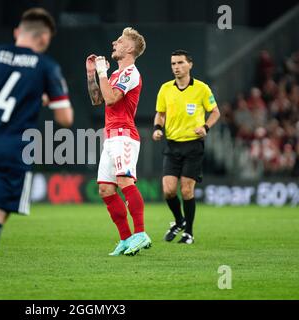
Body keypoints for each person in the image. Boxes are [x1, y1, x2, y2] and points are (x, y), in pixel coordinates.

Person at [0, 7, 73, 300]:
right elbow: (66, 119)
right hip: (13, 150)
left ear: (18, 31)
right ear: (44, 38)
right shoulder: (46, 67)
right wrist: (43, 98)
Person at [86, 27, 151, 257]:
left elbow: (112, 99)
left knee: (124, 181)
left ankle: (141, 233)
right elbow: (97, 99)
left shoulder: (130, 72)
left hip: (124, 134)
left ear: (131, 48)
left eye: (120, 41)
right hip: (110, 136)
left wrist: (103, 74)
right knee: (105, 189)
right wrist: (92, 73)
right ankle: (125, 238)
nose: (114, 42)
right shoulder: (114, 75)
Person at [152, 50, 220, 244]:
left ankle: (188, 232)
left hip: (193, 146)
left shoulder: (202, 89)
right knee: (168, 190)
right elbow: (160, 113)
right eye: (173, 63)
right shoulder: (165, 88)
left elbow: (215, 112)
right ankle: (179, 220)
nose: (176, 67)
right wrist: (158, 128)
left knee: (187, 190)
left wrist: (206, 126)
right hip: (172, 145)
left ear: (190, 64)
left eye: (180, 63)